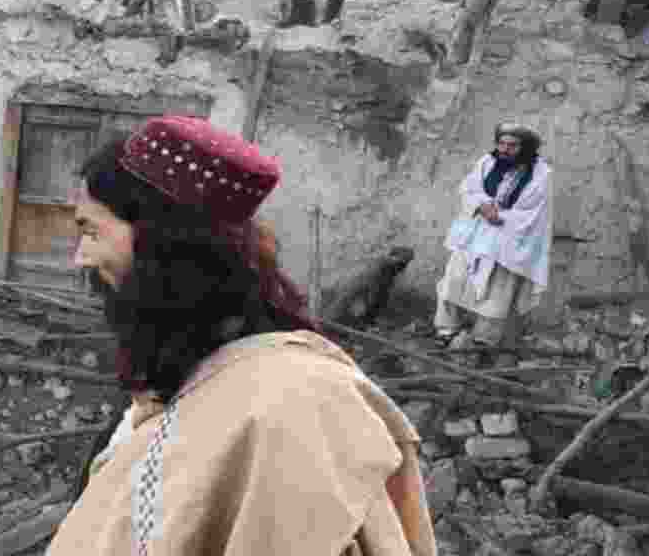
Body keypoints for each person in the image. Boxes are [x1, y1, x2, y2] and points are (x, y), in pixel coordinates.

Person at [53, 115, 436, 556]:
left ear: (162, 244)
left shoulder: (291, 413)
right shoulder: (185, 373)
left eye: (91, 230)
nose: (81, 258)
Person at [433, 123, 552, 366]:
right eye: (501, 144)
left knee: (497, 292)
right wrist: (482, 205)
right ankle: (446, 331)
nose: (505, 150)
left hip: (509, 240)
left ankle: (483, 342)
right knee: (455, 280)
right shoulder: (487, 162)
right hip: (476, 233)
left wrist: (501, 216)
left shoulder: (542, 174)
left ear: (525, 148)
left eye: (512, 146)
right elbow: (469, 188)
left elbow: (534, 210)